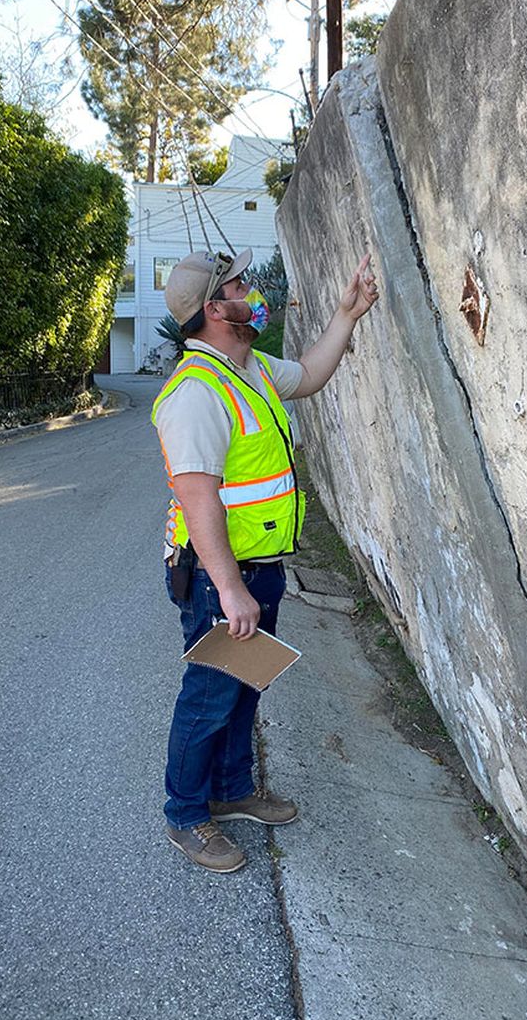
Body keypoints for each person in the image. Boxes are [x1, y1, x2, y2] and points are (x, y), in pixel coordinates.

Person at [152, 245, 379, 872]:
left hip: (261, 565)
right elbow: (198, 502)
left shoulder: (245, 367)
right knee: (208, 697)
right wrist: (229, 590)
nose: (253, 291)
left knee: (245, 686)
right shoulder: (195, 393)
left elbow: (307, 375)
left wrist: (346, 315)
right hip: (218, 577)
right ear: (213, 309)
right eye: (240, 285)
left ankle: (230, 791)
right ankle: (187, 815)